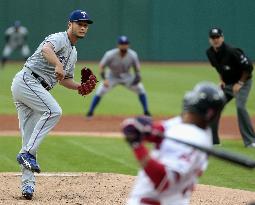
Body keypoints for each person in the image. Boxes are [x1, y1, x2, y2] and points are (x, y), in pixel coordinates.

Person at [11, 9, 94, 200]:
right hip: (28, 81)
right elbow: (46, 50)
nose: (83, 27)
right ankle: (27, 154)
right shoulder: (59, 38)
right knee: (53, 111)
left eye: (85, 25)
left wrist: (80, 87)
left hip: (32, 88)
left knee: (30, 138)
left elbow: (65, 79)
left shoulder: (73, 52)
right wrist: (57, 64)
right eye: (79, 23)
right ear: (69, 24)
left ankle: (28, 186)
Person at [122, 81, 226, 205]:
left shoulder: (193, 138)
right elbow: (160, 131)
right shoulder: (188, 124)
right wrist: (142, 128)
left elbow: (163, 181)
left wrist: (137, 145)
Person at [206, 27, 255, 147]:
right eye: (213, 38)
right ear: (209, 40)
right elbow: (219, 68)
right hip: (227, 84)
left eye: (217, 37)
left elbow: (248, 67)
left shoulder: (232, 51)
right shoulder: (210, 53)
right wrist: (221, 80)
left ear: (222, 38)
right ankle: (213, 141)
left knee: (240, 107)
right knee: (214, 106)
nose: (215, 40)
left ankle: (250, 141)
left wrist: (240, 83)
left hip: (243, 82)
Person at [86, 35, 151, 117]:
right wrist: (104, 79)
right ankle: (90, 112)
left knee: (141, 89)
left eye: (125, 43)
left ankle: (146, 111)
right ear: (118, 45)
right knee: (100, 91)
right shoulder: (110, 54)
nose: (124, 45)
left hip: (127, 76)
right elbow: (101, 66)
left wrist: (138, 75)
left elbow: (137, 67)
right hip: (111, 76)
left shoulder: (133, 55)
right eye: (122, 43)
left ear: (128, 45)